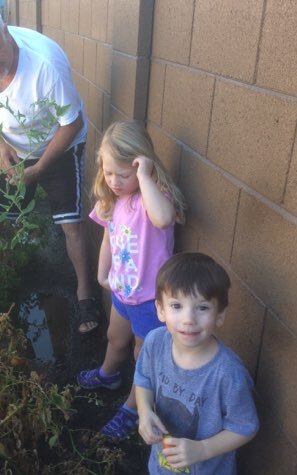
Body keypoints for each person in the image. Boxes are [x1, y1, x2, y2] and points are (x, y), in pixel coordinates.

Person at [0, 4, 100, 333]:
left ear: (6, 31)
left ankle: (86, 296)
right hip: (10, 144)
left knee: (71, 224)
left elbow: (72, 123)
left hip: (59, 144)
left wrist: (40, 168)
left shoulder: (45, 65)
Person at [77, 121, 186, 441]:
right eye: (108, 172)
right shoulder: (112, 200)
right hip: (123, 292)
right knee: (115, 337)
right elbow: (109, 237)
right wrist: (102, 273)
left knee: (143, 356)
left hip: (150, 300)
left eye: (123, 174)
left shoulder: (154, 197)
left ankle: (133, 408)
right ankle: (108, 374)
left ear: (141, 164)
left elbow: (163, 219)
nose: (114, 181)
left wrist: (145, 177)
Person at [134, 252, 259, 475]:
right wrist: (144, 411)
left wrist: (203, 449)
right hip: (161, 469)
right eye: (176, 305)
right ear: (160, 309)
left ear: (220, 315)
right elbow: (144, 380)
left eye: (202, 308)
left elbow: (244, 427)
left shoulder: (228, 373)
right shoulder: (155, 342)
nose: (188, 319)